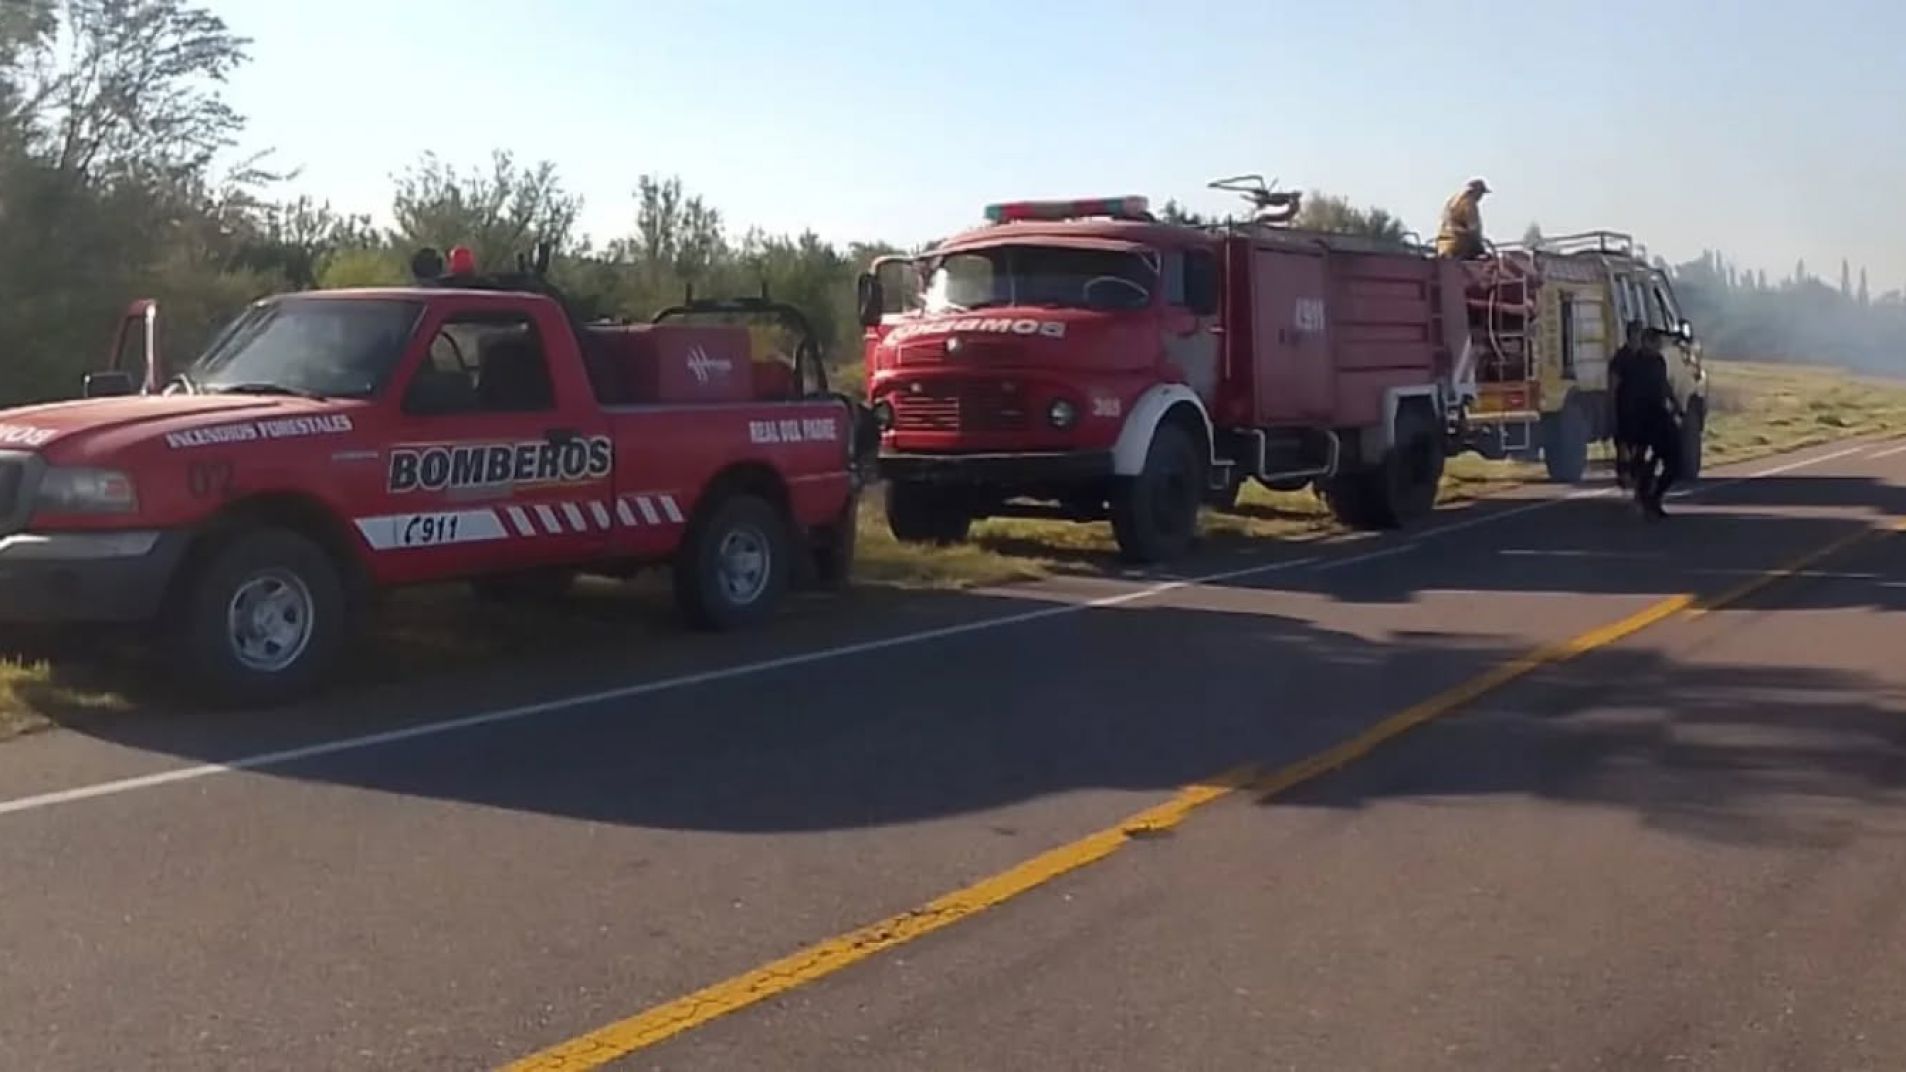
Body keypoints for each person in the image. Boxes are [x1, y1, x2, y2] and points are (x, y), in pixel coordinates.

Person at [1622, 328, 1684, 519]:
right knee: (1643, 460)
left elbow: (1663, 385)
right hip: (1640, 417)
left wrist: (1675, 403)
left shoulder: (1658, 361)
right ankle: (1644, 498)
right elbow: (1622, 390)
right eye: (1654, 341)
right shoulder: (1633, 363)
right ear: (1646, 342)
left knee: (1674, 459)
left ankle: (1654, 497)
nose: (1658, 345)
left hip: (1658, 414)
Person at [1605, 320, 1648, 490]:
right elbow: (1613, 383)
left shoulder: (1644, 357)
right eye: (1638, 333)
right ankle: (1624, 475)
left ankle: (1636, 474)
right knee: (1623, 444)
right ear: (1631, 335)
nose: (1639, 337)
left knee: (1640, 444)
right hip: (1625, 407)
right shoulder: (1621, 357)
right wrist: (1611, 406)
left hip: (1642, 408)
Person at [1435, 178, 1490, 259]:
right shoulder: (1469, 203)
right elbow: (1473, 230)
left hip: (1443, 246)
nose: (1481, 197)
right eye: (1481, 193)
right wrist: (1481, 250)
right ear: (1475, 191)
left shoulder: (1452, 201)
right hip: (1459, 246)